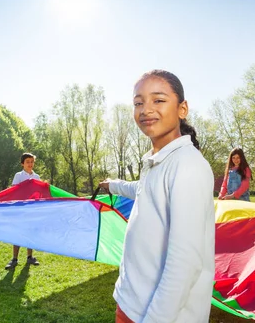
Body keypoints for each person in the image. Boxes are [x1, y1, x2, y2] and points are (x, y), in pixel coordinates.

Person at [99, 69, 215, 323]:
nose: (145, 109)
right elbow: (140, 190)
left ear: (182, 109)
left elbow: (186, 263)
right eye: (138, 102)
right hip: (131, 303)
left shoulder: (187, 165)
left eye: (158, 100)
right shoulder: (157, 162)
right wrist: (112, 185)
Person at [5, 152, 40, 269]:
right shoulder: (18, 175)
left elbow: (38, 193)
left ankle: (30, 257)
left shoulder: (37, 177)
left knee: (30, 233)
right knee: (18, 234)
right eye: (27, 162)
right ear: (22, 164)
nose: (30, 164)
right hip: (20, 210)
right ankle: (14, 259)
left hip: (32, 210)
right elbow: (14, 191)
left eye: (32, 162)